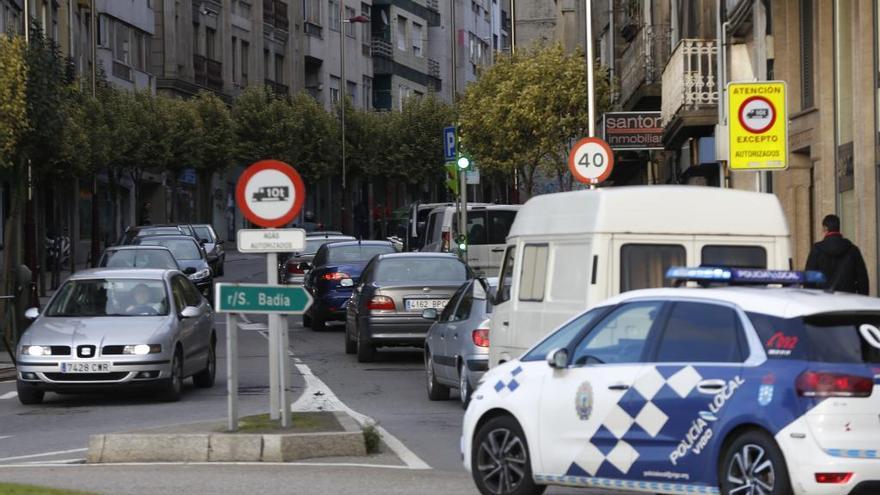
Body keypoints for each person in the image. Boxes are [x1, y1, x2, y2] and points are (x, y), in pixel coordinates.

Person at [805, 214, 869, 294]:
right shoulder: (853, 250)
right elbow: (863, 280)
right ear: (838, 228)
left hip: (822, 301)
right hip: (848, 300)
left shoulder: (817, 249)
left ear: (825, 228)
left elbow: (809, 278)